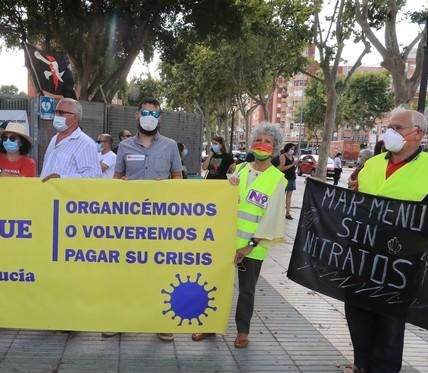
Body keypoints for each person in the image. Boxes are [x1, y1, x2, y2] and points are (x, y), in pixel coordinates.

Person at [342, 107, 428, 373]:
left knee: (391, 316)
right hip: (364, 252)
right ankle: (362, 363)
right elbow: (358, 199)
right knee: (357, 310)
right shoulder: (372, 163)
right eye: (389, 127)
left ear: (418, 134)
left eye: (398, 127)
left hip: (403, 259)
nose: (389, 133)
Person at [192, 122, 286, 346]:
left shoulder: (277, 180)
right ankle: (210, 325)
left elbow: (271, 219)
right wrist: (228, 186)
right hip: (225, 242)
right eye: (259, 140)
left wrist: (248, 247)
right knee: (215, 284)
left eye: (268, 142)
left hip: (252, 247)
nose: (262, 144)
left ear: (274, 148)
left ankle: (243, 331)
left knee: (246, 290)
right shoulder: (240, 170)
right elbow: (224, 204)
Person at [113, 97, 183, 342]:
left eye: (154, 114)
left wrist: (169, 186)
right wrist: (120, 185)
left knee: (160, 272)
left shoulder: (170, 146)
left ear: (160, 118)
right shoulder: (124, 147)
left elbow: (179, 180)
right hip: (129, 223)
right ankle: (120, 320)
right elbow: (116, 179)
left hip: (160, 223)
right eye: (145, 112)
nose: (149, 117)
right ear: (137, 115)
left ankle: (162, 322)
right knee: (125, 271)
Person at [40, 98, 101, 180]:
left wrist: (62, 178)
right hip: (47, 191)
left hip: (67, 192)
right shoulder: (54, 139)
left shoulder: (85, 143)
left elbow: (94, 175)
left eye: (61, 113)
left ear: (75, 118)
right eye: (56, 112)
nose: (57, 116)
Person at [277, 143, 297, 220]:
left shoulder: (292, 157)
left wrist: (295, 165)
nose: (292, 150)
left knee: (289, 197)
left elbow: (292, 167)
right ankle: (279, 212)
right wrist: (292, 164)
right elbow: (282, 168)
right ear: (287, 148)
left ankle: (288, 213)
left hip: (292, 178)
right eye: (291, 148)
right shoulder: (282, 156)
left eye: (293, 149)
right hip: (284, 179)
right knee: (281, 197)